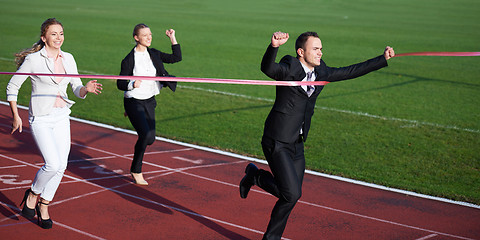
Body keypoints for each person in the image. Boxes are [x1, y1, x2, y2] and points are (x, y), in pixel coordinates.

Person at [239, 31, 395, 239]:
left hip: (297, 143)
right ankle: (257, 179)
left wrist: (381, 59)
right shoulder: (290, 66)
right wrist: (274, 47)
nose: (320, 52)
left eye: (321, 48)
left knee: (291, 196)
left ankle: (256, 181)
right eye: (315, 48)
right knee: (292, 193)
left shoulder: (321, 71)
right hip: (277, 140)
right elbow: (268, 68)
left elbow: (350, 71)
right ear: (301, 52)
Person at [6, 18, 102, 229]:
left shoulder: (68, 58)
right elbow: (12, 87)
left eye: (61, 33)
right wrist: (15, 115)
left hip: (61, 116)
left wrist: (86, 88)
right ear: (44, 37)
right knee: (52, 164)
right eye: (53, 34)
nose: (59, 37)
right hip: (40, 117)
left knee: (62, 165)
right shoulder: (33, 60)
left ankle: (44, 204)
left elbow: (76, 88)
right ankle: (32, 193)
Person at [117, 23, 181, 186]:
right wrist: (132, 84)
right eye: (145, 35)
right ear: (136, 38)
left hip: (150, 100)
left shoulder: (154, 53)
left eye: (150, 34)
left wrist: (172, 38)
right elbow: (120, 83)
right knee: (145, 135)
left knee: (150, 138)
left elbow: (176, 58)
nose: (149, 37)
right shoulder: (129, 59)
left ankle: (132, 115)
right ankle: (136, 170)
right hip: (133, 100)